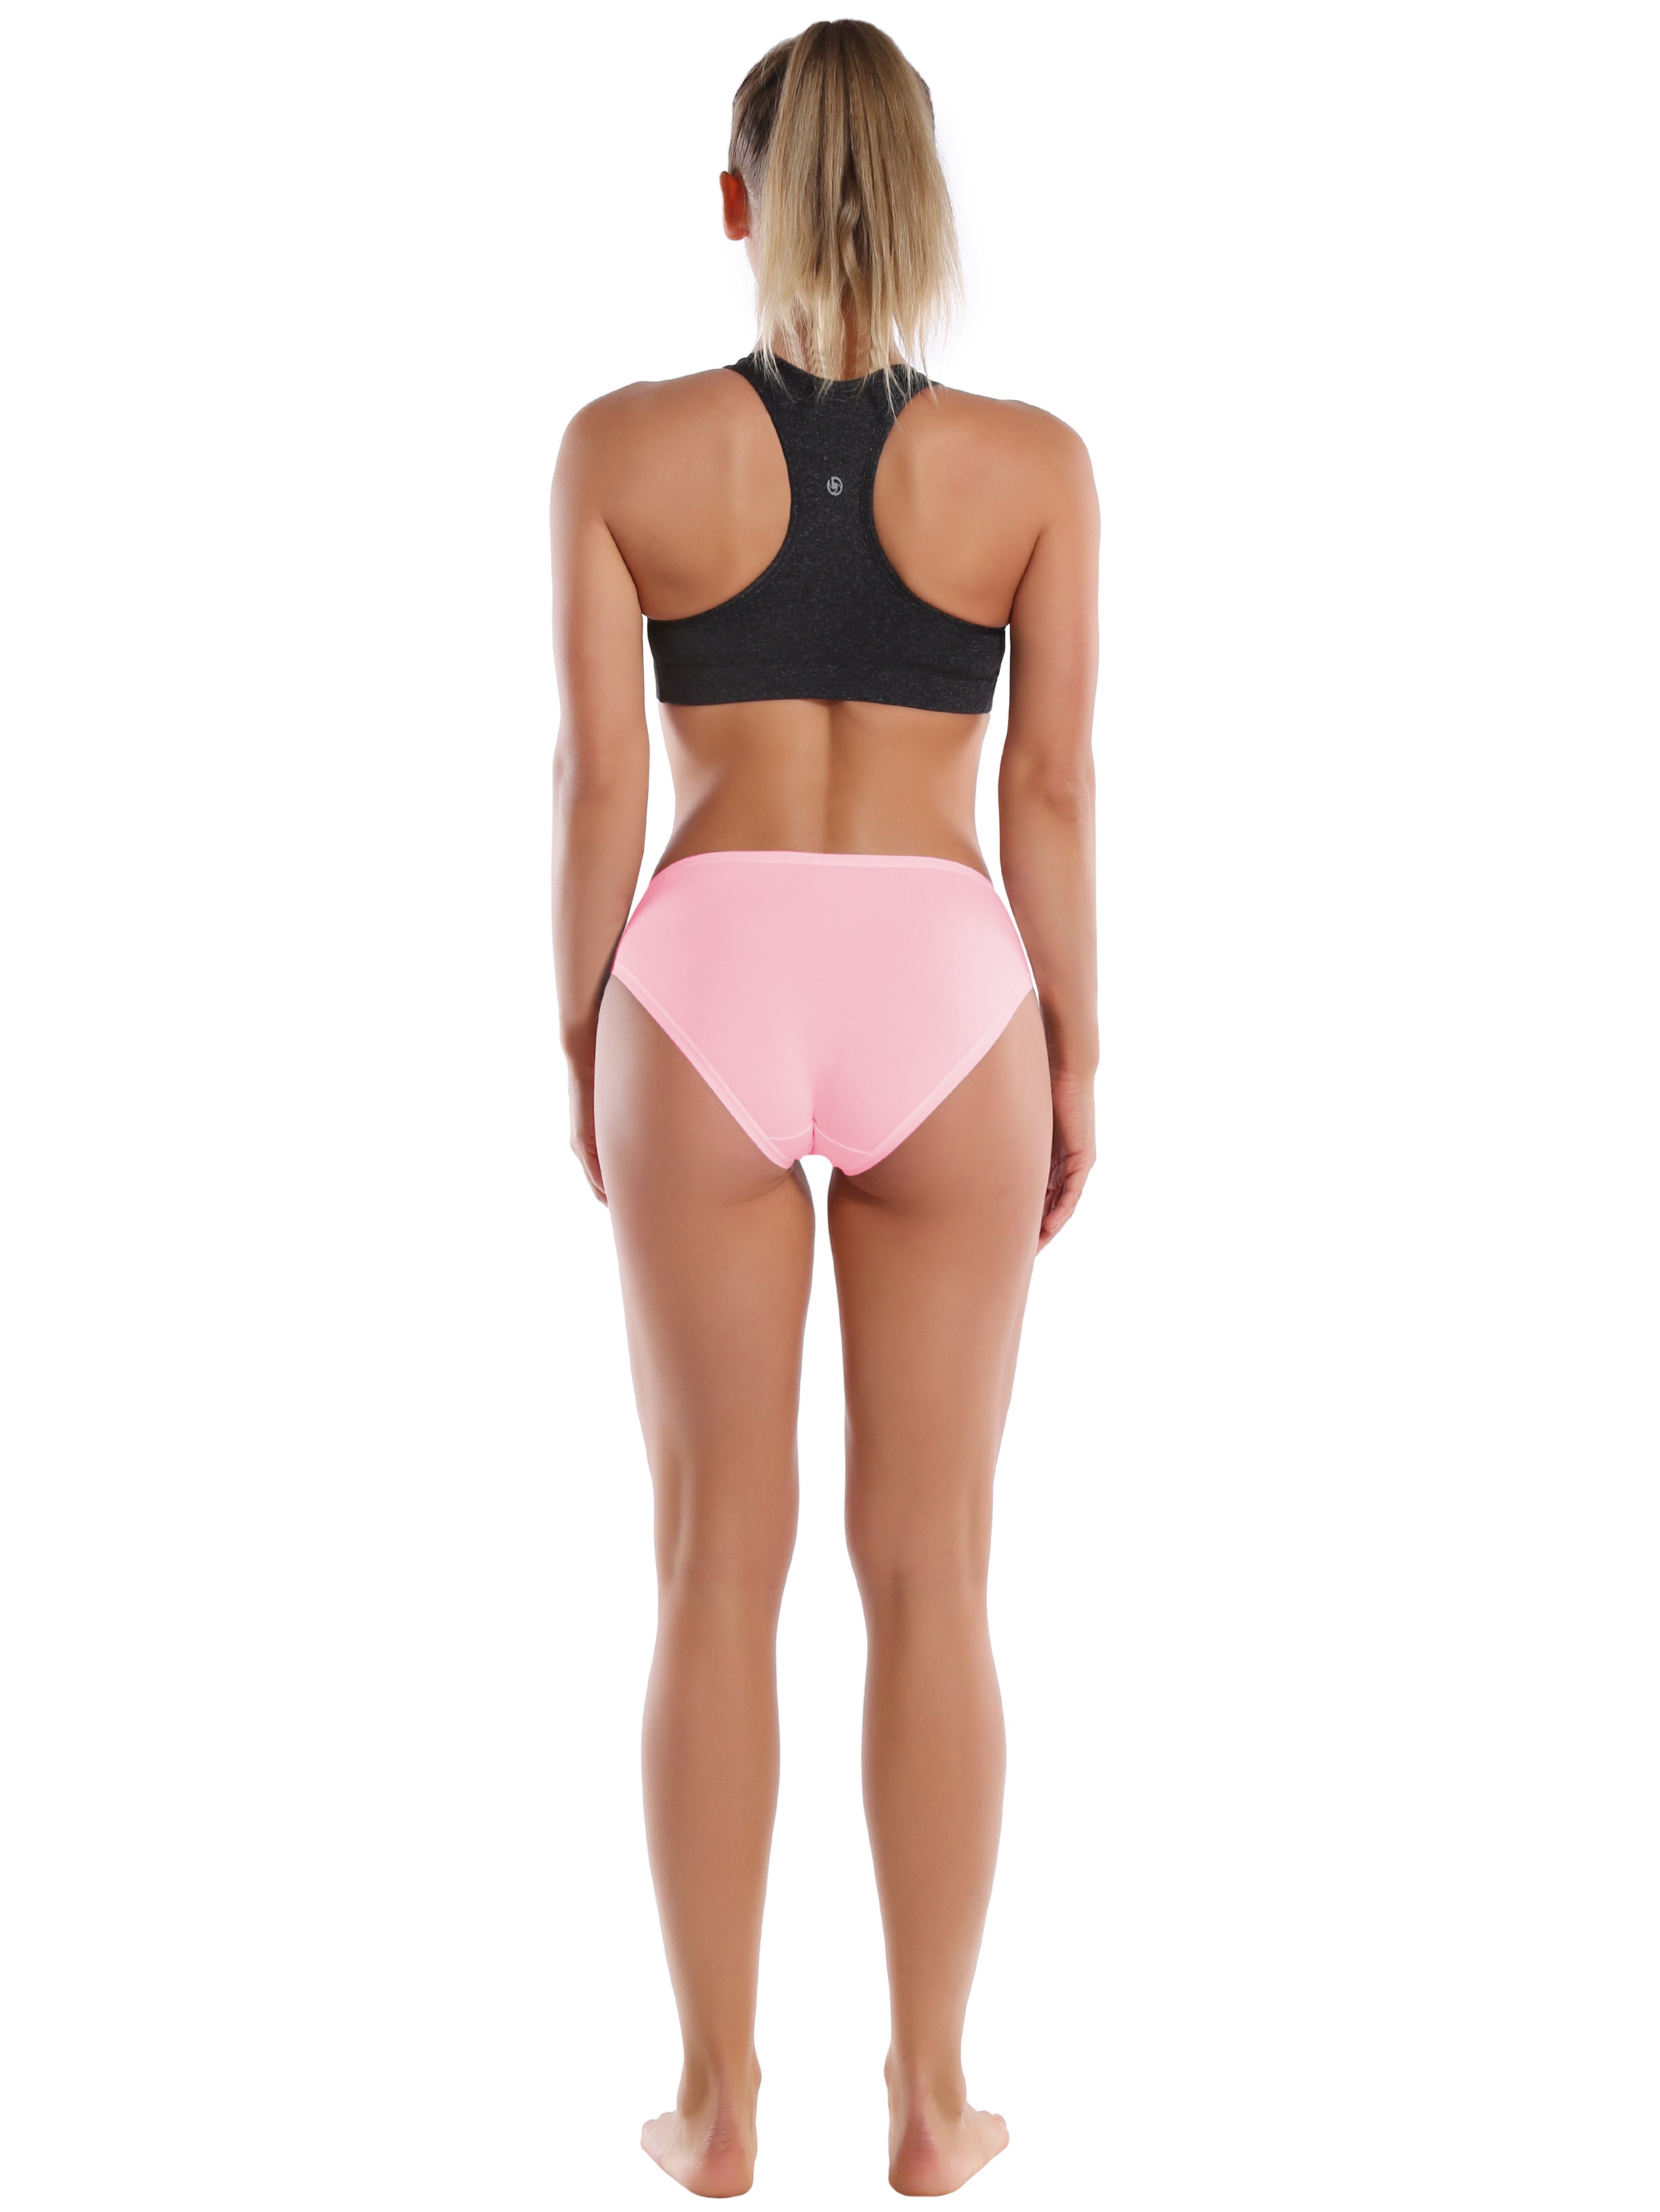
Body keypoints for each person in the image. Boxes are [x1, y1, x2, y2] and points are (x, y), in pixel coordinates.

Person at [550, 19, 1098, 2197]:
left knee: (714, 1559)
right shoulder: (1034, 468)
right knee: (931, 1566)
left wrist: (576, 1026)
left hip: (699, 974)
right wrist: (1076, 1052)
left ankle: (715, 2103)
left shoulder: (619, 449)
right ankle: (931, 2098)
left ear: (734, 202)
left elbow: (599, 783)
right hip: (950, 988)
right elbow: (1049, 793)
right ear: (925, 198)